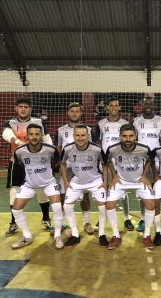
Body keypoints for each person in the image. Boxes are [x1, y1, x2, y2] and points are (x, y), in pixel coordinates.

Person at [2, 97, 53, 237]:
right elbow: (6, 134)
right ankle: (14, 223)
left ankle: (46, 219)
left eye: (26, 106)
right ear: (16, 108)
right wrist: (19, 143)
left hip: (37, 163)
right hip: (17, 162)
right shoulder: (10, 123)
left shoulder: (38, 122)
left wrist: (51, 152)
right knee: (15, 191)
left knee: (42, 189)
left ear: (30, 109)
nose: (23, 109)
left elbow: (47, 139)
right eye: (20, 106)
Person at [11, 124, 64, 250]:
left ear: (41, 136)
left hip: (49, 182)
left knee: (57, 207)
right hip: (29, 184)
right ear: (27, 136)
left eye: (37, 134)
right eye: (31, 134)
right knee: (16, 209)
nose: (34, 137)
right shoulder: (20, 151)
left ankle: (57, 235)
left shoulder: (50, 149)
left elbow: (55, 161)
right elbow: (20, 163)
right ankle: (27, 236)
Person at [105, 124, 158, 250]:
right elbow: (107, 160)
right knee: (109, 205)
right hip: (121, 181)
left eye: (130, 136)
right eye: (124, 136)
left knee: (151, 205)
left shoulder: (144, 149)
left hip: (139, 181)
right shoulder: (112, 149)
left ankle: (147, 235)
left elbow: (150, 160)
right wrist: (114, 176)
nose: (127, 139)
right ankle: (116, 235)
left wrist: (145, 175)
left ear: (135, 136)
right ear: (119, 137)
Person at [60, 124, 109, 248]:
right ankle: (75, 235)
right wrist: (66, 181)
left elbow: (105, 164)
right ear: (73, 136)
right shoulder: (67, 148)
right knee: (67, 207)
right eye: (77, 135)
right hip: (77, 181)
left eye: (83, 135)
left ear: (88, 136)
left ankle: (102, 234)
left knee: (103, 207)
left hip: (95, 181)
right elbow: (62, 163)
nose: (80, 138)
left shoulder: (96, 149)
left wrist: (105, 182)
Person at [55, 102, 96, 236]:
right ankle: (62, 224)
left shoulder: (89, 130)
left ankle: (86, 222)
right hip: (67, 169)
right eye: (72, 111)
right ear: (68, 113)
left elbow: (93, 149)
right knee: (63, 195)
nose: (74, 113)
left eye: (77, 111)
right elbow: (59, 150)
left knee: (85, 195)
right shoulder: (61, 130)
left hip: (83, 168)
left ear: (81, 113)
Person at [95, 97, 132, 231]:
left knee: (122, 190)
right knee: (104, 189)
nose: (114, 108)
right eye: (111, 105)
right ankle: (102, 218)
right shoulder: (100, 124)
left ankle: (127, 218)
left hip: (121, 162)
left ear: (120, 107)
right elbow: (99, 143)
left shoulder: (125, 123)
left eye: (116, 105)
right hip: (106, 162)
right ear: (107, 108)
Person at [132, 97, 161, 233]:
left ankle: (157, 220)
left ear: (154, 106)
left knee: (156, 192)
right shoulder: (136, 121)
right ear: (142, 106)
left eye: (151, 104)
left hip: (156, 161)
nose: (148, 106)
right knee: (142, 192)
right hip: (141, 161)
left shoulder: (160, 121)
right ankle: (144, 219)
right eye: (146, 104)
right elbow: (134, 140)